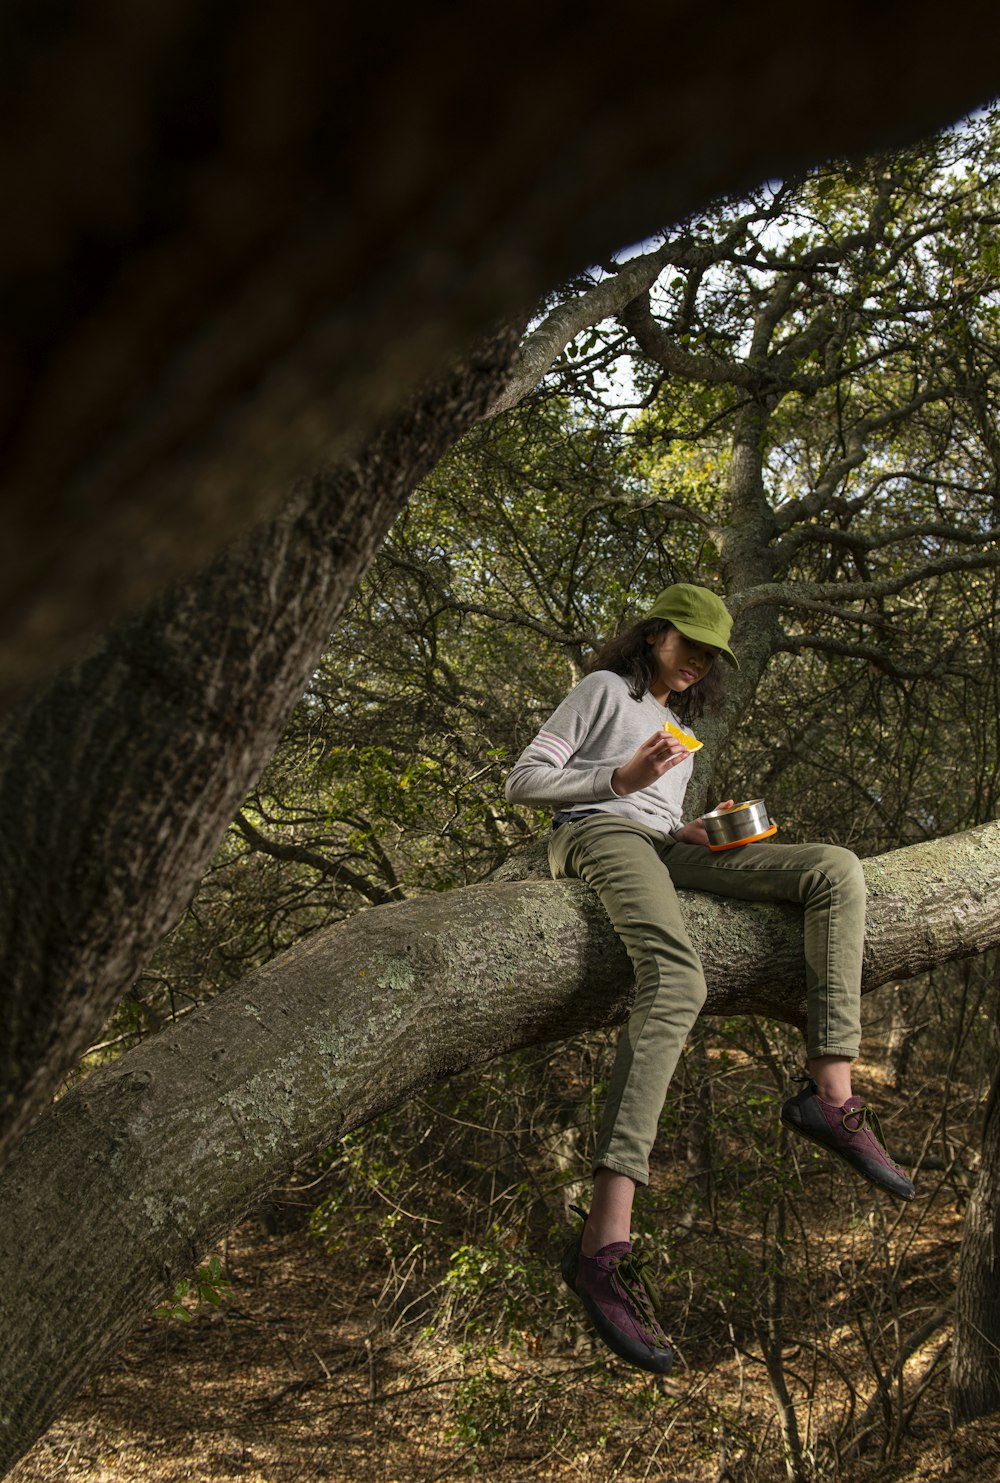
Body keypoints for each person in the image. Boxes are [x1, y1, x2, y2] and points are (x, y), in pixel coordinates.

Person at [504, 583, 914, 1376]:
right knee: (678, 976)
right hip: (596, 833)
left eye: (709, 653)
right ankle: (602, 1242)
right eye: (685, 641)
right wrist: (616, 784)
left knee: (836, 870)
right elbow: (524, 781)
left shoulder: (677, 728)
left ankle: (832, 1096)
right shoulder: (601, 692)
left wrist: (695, 828)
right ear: (653, 631)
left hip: (657, 843)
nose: (695, 660)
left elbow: (660, 827)